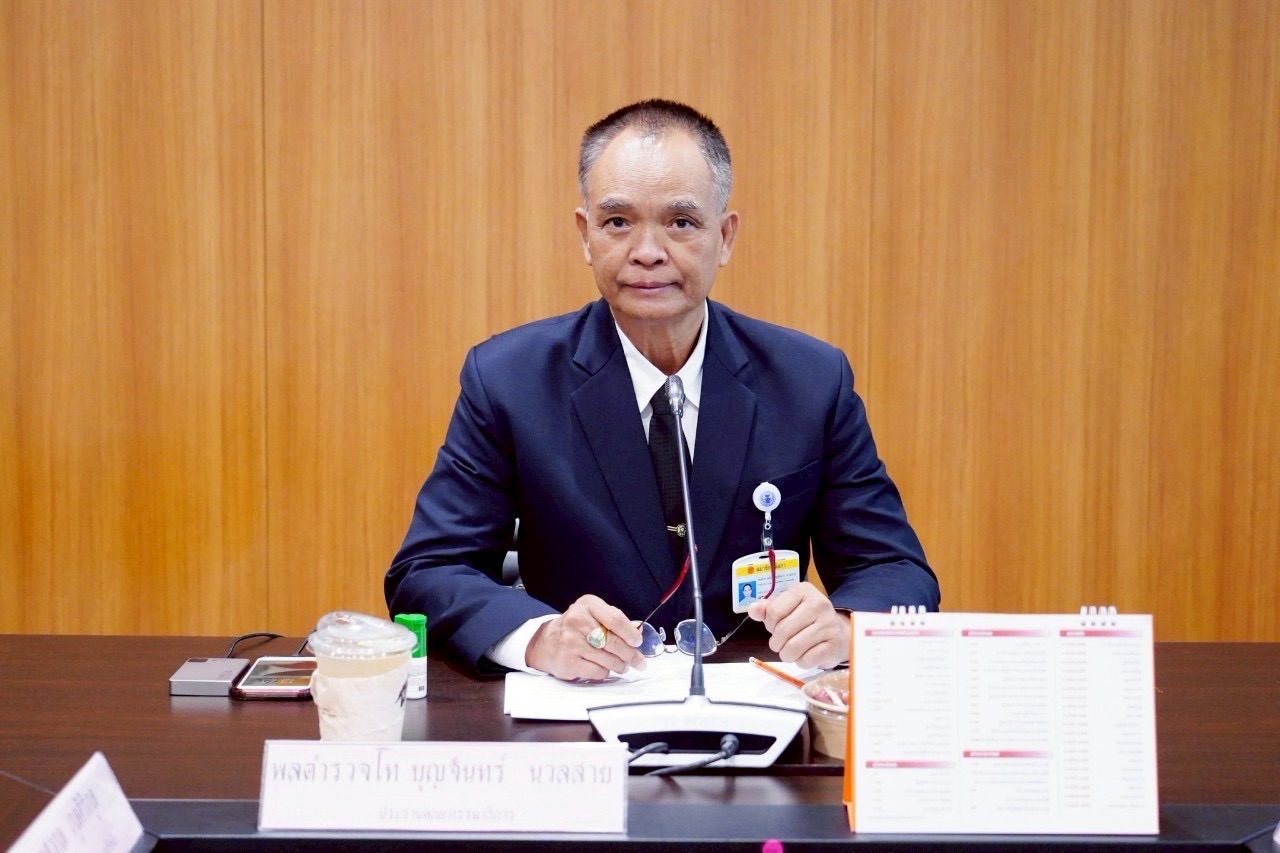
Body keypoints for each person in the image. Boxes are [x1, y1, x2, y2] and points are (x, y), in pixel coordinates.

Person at [386, 99, 939, 681]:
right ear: (585, 235)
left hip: (754, 699)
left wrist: (847, 626)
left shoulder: (810, 380)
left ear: (725, 236)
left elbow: (896, 570)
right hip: (581, 706)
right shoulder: (509, 379)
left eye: (680, 222)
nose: (647, 252)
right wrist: (540, 638)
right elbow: (428, 570)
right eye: (617, 222)